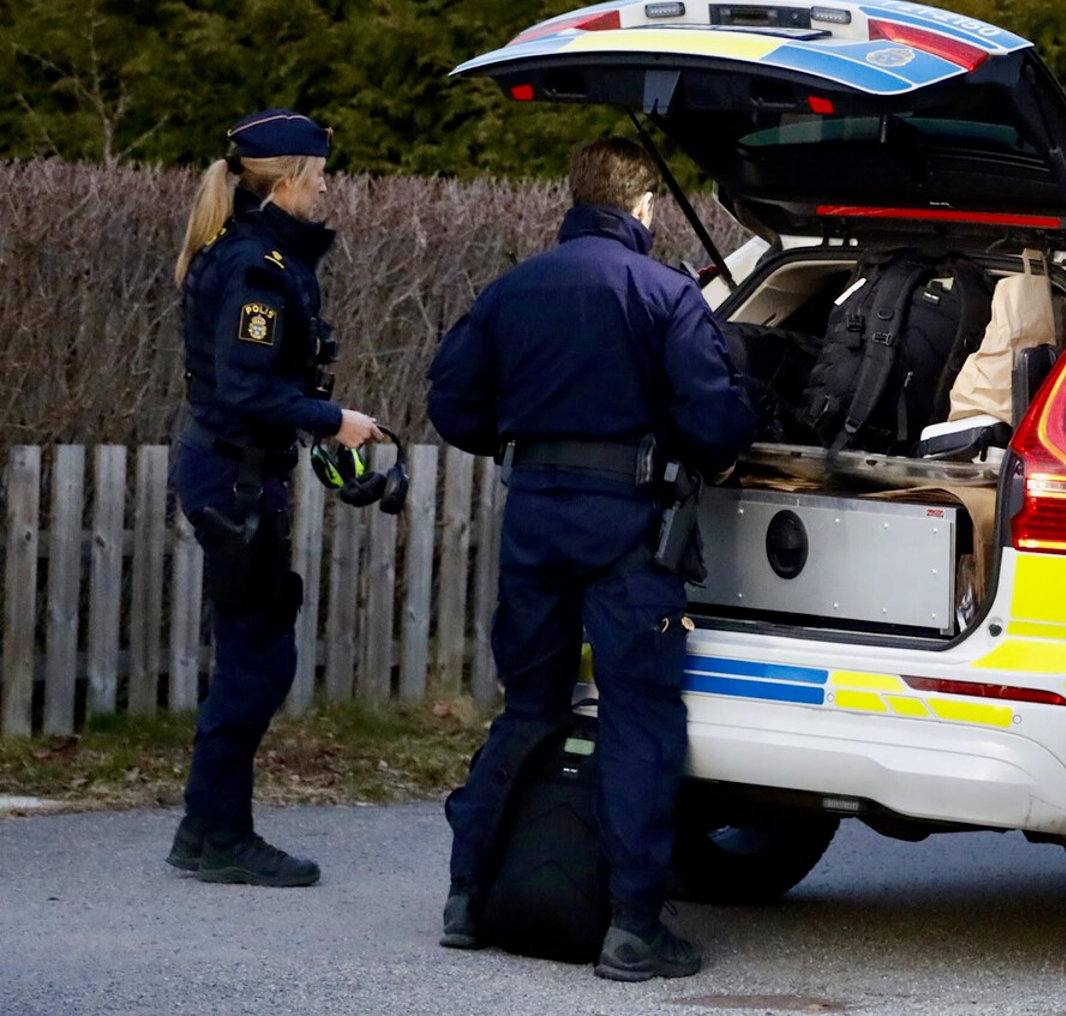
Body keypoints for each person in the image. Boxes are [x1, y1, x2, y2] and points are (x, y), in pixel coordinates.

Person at [428, 137, 755, 982]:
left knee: (528, 710)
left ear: (574, 197)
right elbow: (717, 424)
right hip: (630, 532)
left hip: (535, 518)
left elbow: (455, 410)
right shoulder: (665, 294)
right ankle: (634, 928)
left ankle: (467, 897)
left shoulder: (512, 290)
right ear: (643, 206)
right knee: (639, 720)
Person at [168, 109, 384, 886]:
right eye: (320, 172)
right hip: (236, 479)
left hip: (234, 471)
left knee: (253, 650)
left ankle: (206, 828)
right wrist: (336, 422)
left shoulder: (249, 255)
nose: (327, 184)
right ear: (288, 178)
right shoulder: (259, 267)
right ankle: (218, 836)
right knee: (256, 660)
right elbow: (246, 385)